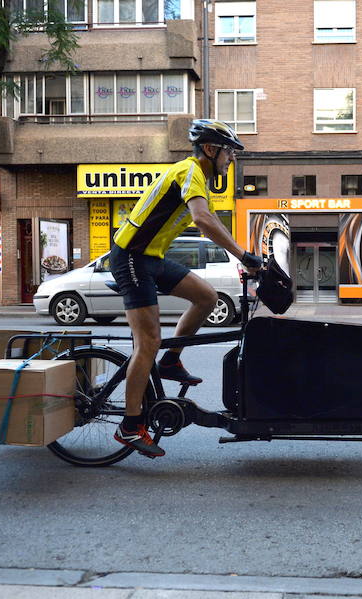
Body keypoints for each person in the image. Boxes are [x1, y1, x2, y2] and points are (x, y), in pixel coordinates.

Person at [109, 119, 263, 457]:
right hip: (131, 257)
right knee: (147, 342)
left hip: (151, 257)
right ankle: (130, 425)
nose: (231, 160)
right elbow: (203, 221)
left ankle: (171, 362)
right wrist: (242, 256)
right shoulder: (189, 171)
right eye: (229, 153)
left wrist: (245, 252)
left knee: (207, 297)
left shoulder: (200, 180)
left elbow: (211, 217)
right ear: (210, 149)